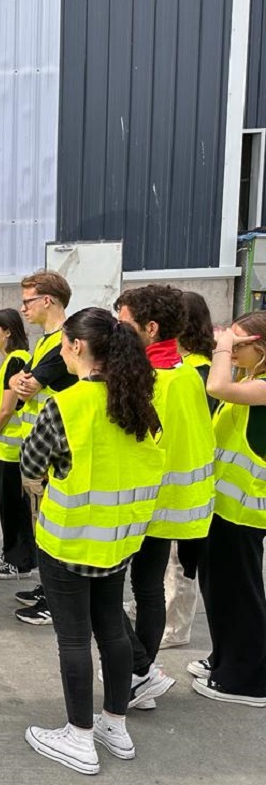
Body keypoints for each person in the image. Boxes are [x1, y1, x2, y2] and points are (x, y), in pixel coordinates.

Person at [21, 307, 165, 775]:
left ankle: (79, 736)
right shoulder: (139, 402)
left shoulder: (66, 405)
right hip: (118, 540)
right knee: (112, 630)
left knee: (74, 638)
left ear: (78, 346)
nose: (61, 352)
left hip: (68, 541)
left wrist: (43, 482)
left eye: (64, 345)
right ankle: (114, 725)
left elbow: (31, 464)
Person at [114, 285, 214, 710]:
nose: (118, 330)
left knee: (105, 592)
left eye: (124, 324)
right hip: (175, 505)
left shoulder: (147, 380)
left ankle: (140, 672)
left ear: (150, 328)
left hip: (139, 503)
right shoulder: (188, 372)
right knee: (149, 589)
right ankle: (141, 676)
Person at [196, 312, 266, 707]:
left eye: (240, 345)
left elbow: (216, 386)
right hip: (223, 508)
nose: (232, 351)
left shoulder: (261, 387)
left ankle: (249, 680)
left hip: (244, 512)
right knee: (219, 591)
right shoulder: (250, 380)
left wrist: (222, 347)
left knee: (240, 595)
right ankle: (225, 659)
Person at [11, 271, 78, 626]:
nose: (23, 309)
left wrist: (22, 382)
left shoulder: (62, 342)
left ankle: (56, 599)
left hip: (55, 450)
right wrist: (20, 380)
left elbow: (27, 385)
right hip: (40, 447)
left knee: (52, 528)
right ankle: (49, 588)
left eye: (28, 301)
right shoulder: (44, 342)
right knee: (41, 524)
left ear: (48, 300)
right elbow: (17, 379)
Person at [158, 291, 218, 648]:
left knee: (182, 563)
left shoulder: (197, 371)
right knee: (169, 562)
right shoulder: (186, 366)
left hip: (190, 484)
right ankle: (161, 611)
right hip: (177, 482)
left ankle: (174, 628)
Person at [0, 309, 35, 579]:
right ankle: (10, 550)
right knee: (8, 504)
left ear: (8, 331)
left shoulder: (17, 360)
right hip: (7, 448)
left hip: (15, 450)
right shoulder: (11, 360)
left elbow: (6, 409)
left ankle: (20, 562)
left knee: (16, 507)